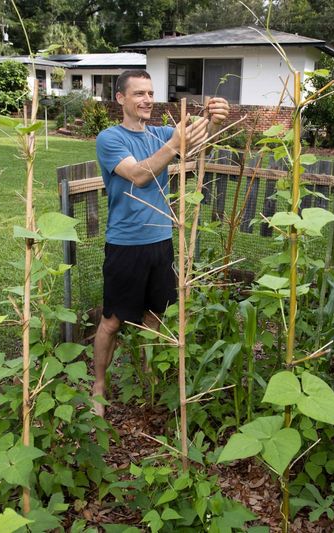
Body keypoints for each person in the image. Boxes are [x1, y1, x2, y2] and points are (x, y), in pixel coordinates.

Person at [92, 70, 230, 417]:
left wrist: (213, 120)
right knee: (112, 320)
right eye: (139, 93)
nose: (148, 100)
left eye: (151, 93)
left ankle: (147, 378)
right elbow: (139, 175)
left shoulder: (160, 133)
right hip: (125, 244)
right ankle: (98, 385)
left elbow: (197, 141)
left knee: (154, 317)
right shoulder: (110, 139)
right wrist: (174, 144)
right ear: (121, 99)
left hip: (160, 241)